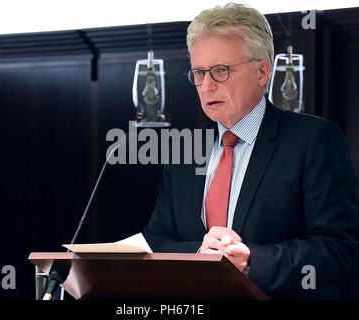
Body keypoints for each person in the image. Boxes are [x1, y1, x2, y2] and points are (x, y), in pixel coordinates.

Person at [143, 3, 359, 299]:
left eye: (220, 71)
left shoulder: (314, 140)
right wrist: (199, 252)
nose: (206, 86)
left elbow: (339, 250)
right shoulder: (185, 148)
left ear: (262, 72)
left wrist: (250, 261)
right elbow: (156, 241)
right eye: (198, 72)